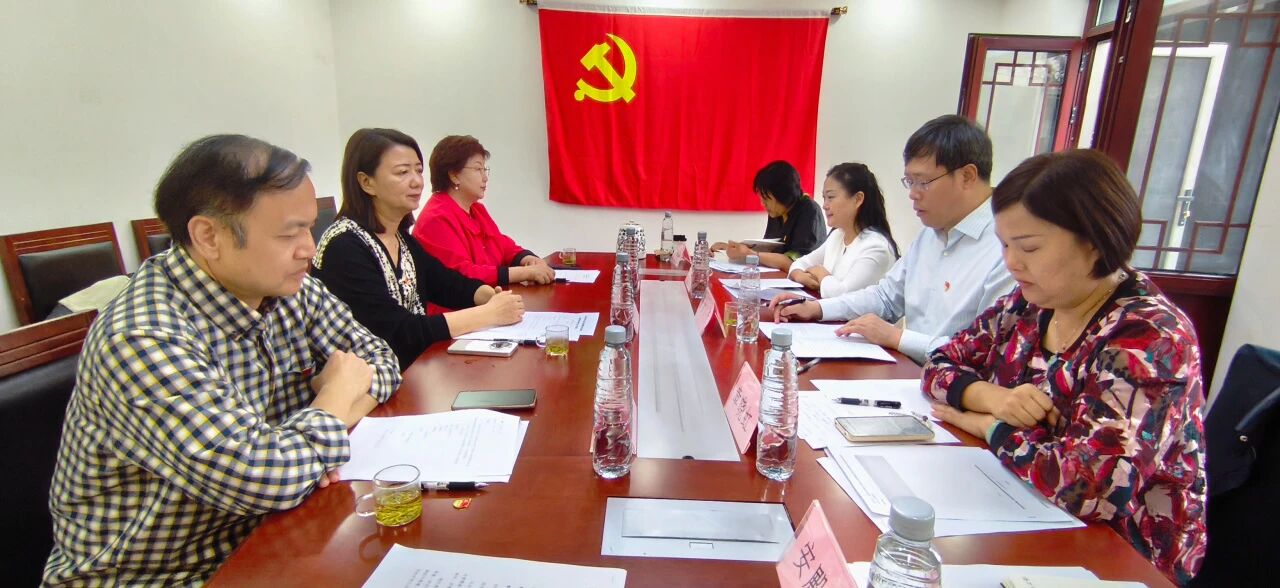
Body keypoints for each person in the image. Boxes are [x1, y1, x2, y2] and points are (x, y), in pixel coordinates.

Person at [43, 135, 402, 585]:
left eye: (310, 228)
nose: (309, 249)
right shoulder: (143, 336)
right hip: (163, 574)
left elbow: (381, 359)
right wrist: (333, 399)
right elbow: (265, 479)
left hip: (270, 534)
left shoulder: (289, 288)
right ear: (208, 236)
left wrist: (319, 431)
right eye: (289, 234)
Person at [924, 149, 1206, 585]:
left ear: (1093, 241)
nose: (1012, 262)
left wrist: (989, 426)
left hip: (1121, 556)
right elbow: (940, 362)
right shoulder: (1030, 303)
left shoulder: (1150, 337)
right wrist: (992, 397)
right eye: (1004, 245)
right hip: (1017, 504)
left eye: (1029, 247)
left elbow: (1090, 489)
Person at [771, 115, 1015, 363]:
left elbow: (988, 350)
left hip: (954, 381)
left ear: (967, 176)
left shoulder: (1008, 247)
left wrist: (898, 338)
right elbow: (885, 297)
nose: (912, 194)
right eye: (910, 181)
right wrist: (817, 309)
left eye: (922, 182)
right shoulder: (931, 234)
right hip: (909, 372)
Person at [313, 129, 525, 369]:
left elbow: (443, 282)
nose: (417, 181)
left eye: (418, 170)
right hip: (371, 380)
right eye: (403, 172)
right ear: (366, 182)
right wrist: (488, 314)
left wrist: (487, 295)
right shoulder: (344, 247)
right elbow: (398, 331)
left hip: (412, 369)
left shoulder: (400, 238)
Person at [411, 135, 554, 287]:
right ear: (454, 175)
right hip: (460, 301)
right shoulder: (436, 219)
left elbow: (503, 245)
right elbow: (463, 274)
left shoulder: (477, 209)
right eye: (478, 169)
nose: (485, 178)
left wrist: (528, 259)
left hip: (491, 296)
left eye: (485, 169)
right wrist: (525, 273)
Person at [787, 162, 899, 297]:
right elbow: (801, 263)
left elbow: (845, 296)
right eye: (824, 198)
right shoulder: (838, 235)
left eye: (831, 197)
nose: (825, 205)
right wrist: (799, 275)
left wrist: (821, 275)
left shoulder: (876, 247)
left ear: (858, 199)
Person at [712, 160, 824, 271]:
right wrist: (732, 249)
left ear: (783, 195)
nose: (762, 203)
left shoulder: (809, 211)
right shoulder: (778, 211)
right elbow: (769, 249)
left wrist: (750, 254)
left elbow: (795, 263)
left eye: (766, 198)